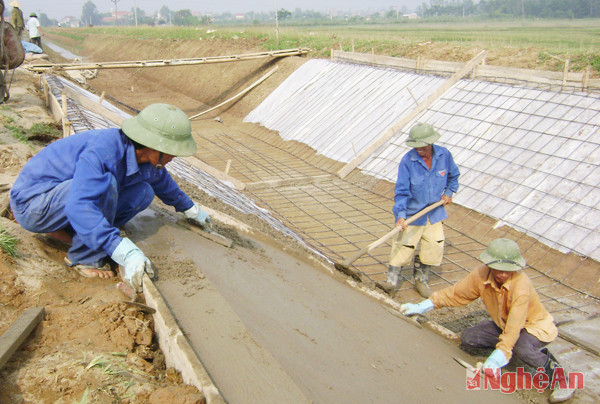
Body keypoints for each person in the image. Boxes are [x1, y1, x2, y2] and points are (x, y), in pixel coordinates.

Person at [9, 103, 213, 292]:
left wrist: (191, 210)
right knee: (104, 185)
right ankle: (85, 257)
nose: (174, 157)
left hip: (65, 199)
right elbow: (80, 206)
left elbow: (161, 182)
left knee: (144, 192)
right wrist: (123, 250)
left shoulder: (142, 156)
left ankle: (75, 232)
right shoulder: (104, 152)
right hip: (34, 205)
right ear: (154, 146)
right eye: (172, 151)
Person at [400, 238, 575, 403]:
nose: (503, 274)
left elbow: (515, 327)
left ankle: (561, 378)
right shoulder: (481, 275)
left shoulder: (521, 286)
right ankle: (508, 354)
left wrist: (497, 357)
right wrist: (423, 306)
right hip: (503, 323)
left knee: (522, 348)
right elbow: (456, 294)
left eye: (508, 269)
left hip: (533, 326)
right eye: (499, 269)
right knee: (470, 338)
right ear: (490, 264)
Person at [383, 122, 459, 297]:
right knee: (403, 245)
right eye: (416, 148)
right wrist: (401, 215)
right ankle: (391, 281)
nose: (420, 151)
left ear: (430, 144)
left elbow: (453, 176)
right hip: (413, 212)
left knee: (434, 244)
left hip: (433, 212)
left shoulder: (444, 155)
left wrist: (448, 193)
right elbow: (402, 191)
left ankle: (421, 279)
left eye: (423, 148)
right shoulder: (408, 161)